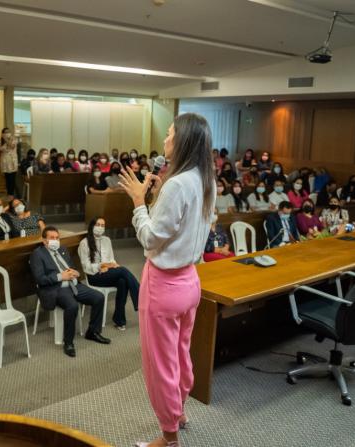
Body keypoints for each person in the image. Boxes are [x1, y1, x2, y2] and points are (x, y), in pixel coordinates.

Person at [118, 113, 215, 447]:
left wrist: (137, 202)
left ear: (183, 140)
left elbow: (150, 238)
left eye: (170, 134)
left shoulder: (177, 183)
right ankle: (181, 411)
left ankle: (169, 437)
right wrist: (159, 198)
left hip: (164, 285)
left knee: (159, 365)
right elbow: (182, 224)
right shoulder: (204, 178)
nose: (165, 140)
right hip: (190, 282)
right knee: (180, 354)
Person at [30, 226, 110, 358]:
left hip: (73, 284)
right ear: (44, 241)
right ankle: (68, 343)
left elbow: (71, 266)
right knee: (72, 306)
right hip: (57, 288)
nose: (55, 240)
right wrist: (61, 276)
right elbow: (40, 279)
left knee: (99, 297)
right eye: (52, 238)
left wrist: (76, 272)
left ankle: (93, 332)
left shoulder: (62, 249)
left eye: (57, 238)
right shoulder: (37, 254)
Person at [78, 217, 139, 330]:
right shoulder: (84, 243)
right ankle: (140, 297)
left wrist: (112, 265)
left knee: (122, 281)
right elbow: (85, 267)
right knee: (123, 270)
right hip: (94, 276)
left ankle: (119, 320)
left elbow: (111, 259)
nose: (100, 227)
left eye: (103, 225)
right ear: (92, 226)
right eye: (98, 224)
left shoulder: (107, 240)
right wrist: (101, 266)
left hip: (108, 273)